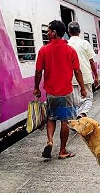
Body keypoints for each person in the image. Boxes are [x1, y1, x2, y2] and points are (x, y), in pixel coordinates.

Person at [34, 20, 86, 159]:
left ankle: (50, 141)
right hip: (66, 92)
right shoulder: (70, 50)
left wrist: (36, 88)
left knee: (51, 118)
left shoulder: (43, 50)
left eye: (49, 30)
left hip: (51, 93)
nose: (47, 33)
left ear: (55, 32)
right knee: (65, 121)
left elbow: (38, 71)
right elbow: (77, 71)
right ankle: (62, 151)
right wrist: (82, 88)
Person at [67, 21, 99, 119]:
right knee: (88, 99)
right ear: (79, 31)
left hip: (71, 78)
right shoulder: (85, 43)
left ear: (68, 32)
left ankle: (77, 117)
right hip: (85, 76)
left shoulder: (66, 44)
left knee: (74, 101)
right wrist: (96, 76)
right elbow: (91, 61)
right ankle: (82, 114)